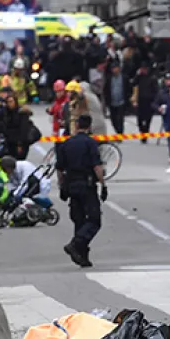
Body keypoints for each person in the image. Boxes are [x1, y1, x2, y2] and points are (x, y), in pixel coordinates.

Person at [55, 114, 106, 268]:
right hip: (87, 185)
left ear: (77, 126)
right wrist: (103, 185)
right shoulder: (91, 143)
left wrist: (62, 185)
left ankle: (82, 256)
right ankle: (76, 244)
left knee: (79, 220)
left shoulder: (66, 143)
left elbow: (59, 168)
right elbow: (97, 167)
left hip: (71, 185)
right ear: (89, 127)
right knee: (94, 219)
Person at [134, 63, 159, 143]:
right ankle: (142, 132)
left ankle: (145, 135)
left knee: (148, 120)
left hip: (149, 101)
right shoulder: (139, 77)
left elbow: (156, 90)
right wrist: (137, 75)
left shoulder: (152, 78)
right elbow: (133, 83)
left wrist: (154, 100)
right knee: (139, 119)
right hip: (140, 101)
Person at [105, 61, 128, 135]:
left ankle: (120, 133)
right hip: (112, 102)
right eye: (113, 68)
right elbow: (106, 89)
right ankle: (117, 130)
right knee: (113, 119)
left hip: (121, 101)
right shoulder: (109, 78)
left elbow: (129, 88)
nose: (114, 70)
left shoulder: (124, 77)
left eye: (116, 68)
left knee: (120, 119)